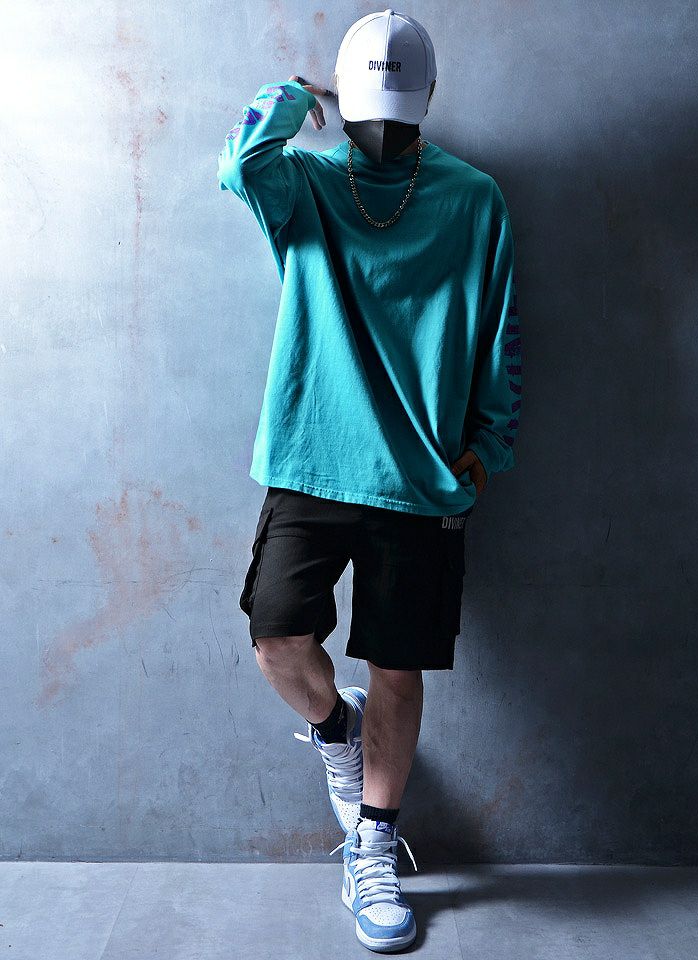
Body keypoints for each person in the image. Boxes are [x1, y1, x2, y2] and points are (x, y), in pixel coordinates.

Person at [217, 9, 521, 953]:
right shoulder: (305, 183)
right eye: (365, 104)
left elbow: (500, 332)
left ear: (425, 101)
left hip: (422, 477)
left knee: (398, 665)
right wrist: (294, 97)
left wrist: (487, 447)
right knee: (277, 638)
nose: (381, 125)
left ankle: (375, 846)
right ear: (346, 100)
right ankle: (334, 733)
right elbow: (238, 166)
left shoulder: (474, 200)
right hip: (312, 457)